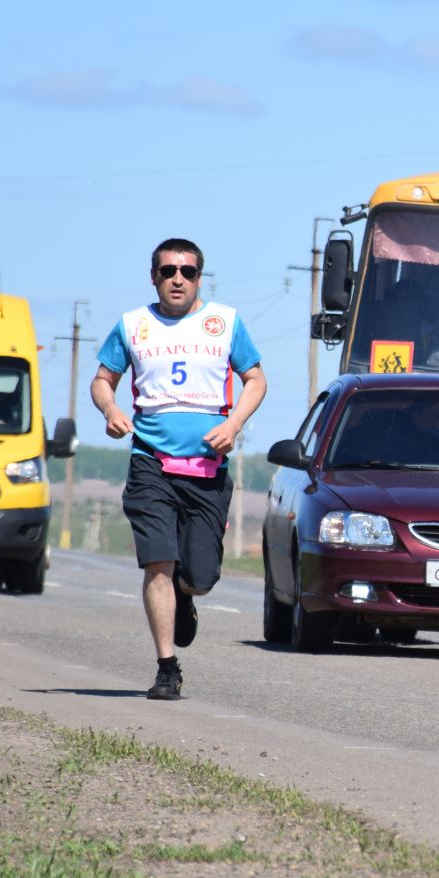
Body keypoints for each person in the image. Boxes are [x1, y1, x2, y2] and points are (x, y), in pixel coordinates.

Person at [91, 237, 266, 701]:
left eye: (187, 271)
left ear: (199, 279)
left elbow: (255, 379)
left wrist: (234, 424)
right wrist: (110, 410)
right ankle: (167, 668)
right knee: (158, 565)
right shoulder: (133, 325)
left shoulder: (224, 322)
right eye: (168, 270)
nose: (177, 279)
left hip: (207, 468)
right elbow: (103, 380)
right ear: (154, 277)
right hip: (150, 462)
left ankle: (186, 592)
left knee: (201, 578)